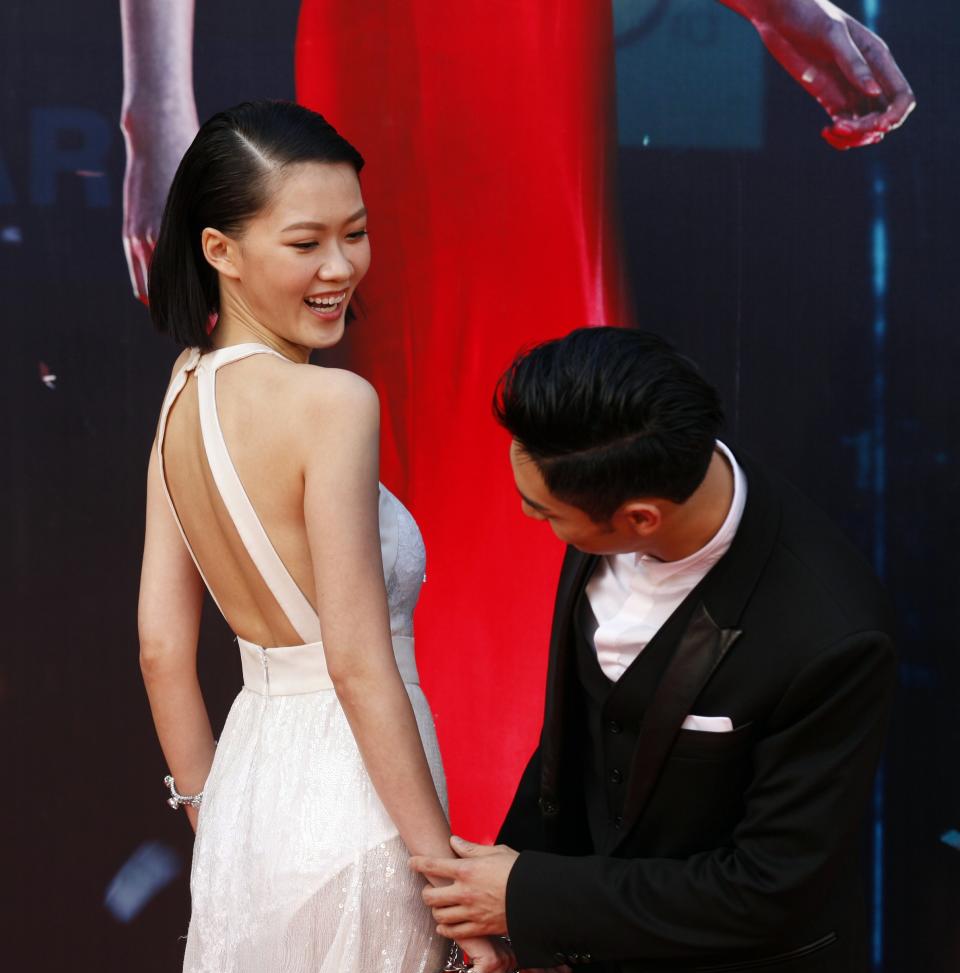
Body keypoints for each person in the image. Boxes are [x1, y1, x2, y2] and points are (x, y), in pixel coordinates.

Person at [120, 0, 915, 843]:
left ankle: (510, 890)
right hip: (397, 39)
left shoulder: (194, 391)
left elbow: (162, 649)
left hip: (536, 45)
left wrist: (216, 831)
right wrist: (156, 112)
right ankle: (494, 892)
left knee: (545, 469)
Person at [413, 326, 897, 973]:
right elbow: (579, 750)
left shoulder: (831, 630)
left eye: (546, 511)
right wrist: (512, 934)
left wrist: (531, 894)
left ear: (639, 519)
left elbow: (766, 885)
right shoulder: (598, 507)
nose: (531, 518)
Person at [137, 98, 519, 973]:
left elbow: (165, 647)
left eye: (356, 231)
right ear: (220, 249)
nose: (341, 265)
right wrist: (455, 893)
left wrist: (219, 814)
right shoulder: (332, 403)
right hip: (358, 814)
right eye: (305, 242)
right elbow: (359, 662)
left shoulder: (183, 395)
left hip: (254, 806)